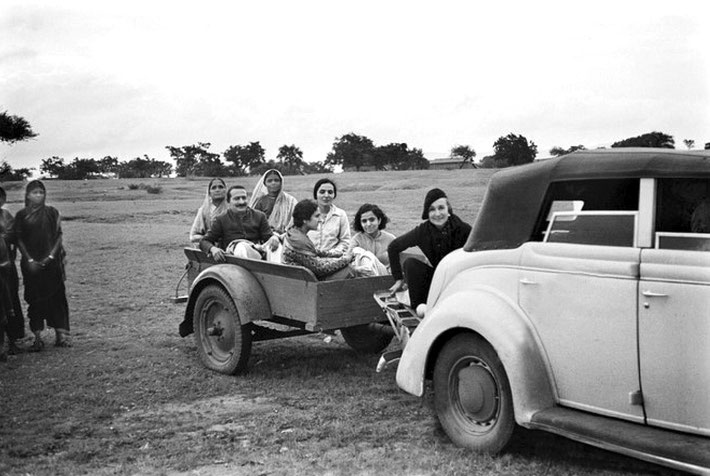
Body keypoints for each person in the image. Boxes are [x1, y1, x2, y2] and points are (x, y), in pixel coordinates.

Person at [387, 188, 472, 310]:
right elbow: (393, 247)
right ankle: (420, 310)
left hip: (460, 282)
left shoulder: (464, 229)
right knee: (410, 264)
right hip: (437, 281)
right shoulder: (422, 231)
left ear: (448, 210)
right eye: (432, 209)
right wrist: (398, 279)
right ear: (427, 213)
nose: (437, 214)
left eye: (441, 208)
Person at [15, 180, 71, 350]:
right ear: (27, 195)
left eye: (41, 192)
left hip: (52, 265)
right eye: (35, 192)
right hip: (32, 267)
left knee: (57, 298)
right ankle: (37, 338)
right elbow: (19, 239)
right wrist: (30, 260)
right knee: (34, 299)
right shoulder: (22, 215)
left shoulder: (52, 212)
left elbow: (58, 236)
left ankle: (61, 337)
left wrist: (51, 257)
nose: (39, 195)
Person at [282, 199, 354, 280]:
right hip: (306, 283)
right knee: (349, 270)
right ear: (305, 219)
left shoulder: (293, 233)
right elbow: (321, 268)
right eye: (316, 216)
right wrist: (346, 259)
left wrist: (338, 255)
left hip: (299, 279)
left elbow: (315, 253)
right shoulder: (300, 241)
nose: (320, 220)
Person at [199, 185, 273, 262]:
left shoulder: (259, 216)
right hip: (233, 258)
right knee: (241, 246)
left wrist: (273, 238)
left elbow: (268, 237)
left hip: (256, 253)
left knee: (277, 244)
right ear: (228, 201)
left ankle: (278, 272)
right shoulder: (221, 219)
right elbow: (204, 241)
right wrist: (213, 249)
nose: (241, 202)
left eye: (244, 198)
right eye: (236, 199)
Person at [249, 169, 298, 260]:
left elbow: (295, 221)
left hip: (285, 236)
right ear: (265, 183)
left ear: (281, 182)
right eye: (270, 181)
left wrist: (279, 235)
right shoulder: (260, 201)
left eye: (276, 180)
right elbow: (254, 221)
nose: (273, 183)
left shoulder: (290, 201)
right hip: (263, 236)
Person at [0, 186, 25, 354]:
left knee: (11, 300)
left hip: (6, 266)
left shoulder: (6, 215)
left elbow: (14, 235)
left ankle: (13, 340)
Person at [308, 178, 351, 254]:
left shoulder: (340, 215)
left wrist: (330, 253)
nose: (326, 195)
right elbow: (294, 234)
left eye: (330, 192)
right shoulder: (306, 212)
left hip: (332, 258)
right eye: (322, 192)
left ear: (334, 195)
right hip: (307, 256)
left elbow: (345, 241)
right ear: (316, 194)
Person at [349, 203, 396, 273]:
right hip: (363, 276)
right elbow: (347, 260)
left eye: (372, 220)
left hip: (384, 276)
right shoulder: (356, 240)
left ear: (379, 220)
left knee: (367, 255)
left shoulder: (391, 239)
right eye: (364, 221)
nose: (368, 224)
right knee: (358, 251)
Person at [189, 178, 228, 245]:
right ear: (209, 192)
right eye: (214, 188)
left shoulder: (232, 208)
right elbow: (193, 236)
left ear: (225, 190)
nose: (217, 190)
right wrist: (209, 239)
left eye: (220, 187)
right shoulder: (203, 211)